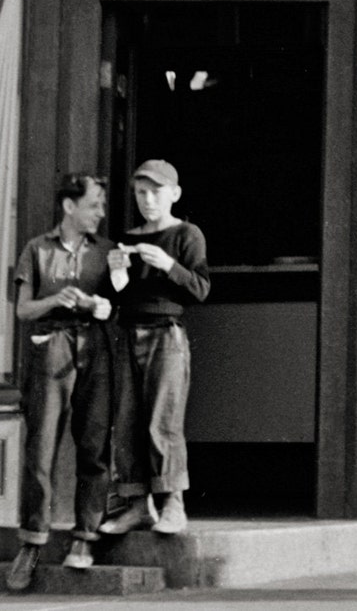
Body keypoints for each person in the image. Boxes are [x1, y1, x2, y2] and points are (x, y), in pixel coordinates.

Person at [6, 173, 114, 591]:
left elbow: (116, 302)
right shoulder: (37, 248)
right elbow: (23, 310)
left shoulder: (106, 252)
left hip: (94, 347)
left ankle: (85, 537)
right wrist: (56, 299)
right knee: (40, 448)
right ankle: (33, 541)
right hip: (50, 346)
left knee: (94, 445)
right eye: (94, 204)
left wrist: (100, 303)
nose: (100, 213)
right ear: (69, 207)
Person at [99, 159, 209, 537]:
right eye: (141, 193)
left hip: (166, 333)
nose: (147, 200)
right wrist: (116, 274)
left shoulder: (186, 234)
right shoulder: (127, 238)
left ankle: (173, 503)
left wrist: (168, 264)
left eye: (156, 192)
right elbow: (115, 296)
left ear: (174, 194)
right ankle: (136, 505)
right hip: (127, 332)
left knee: (163, 419)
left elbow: (199, 289)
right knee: (127, 420)